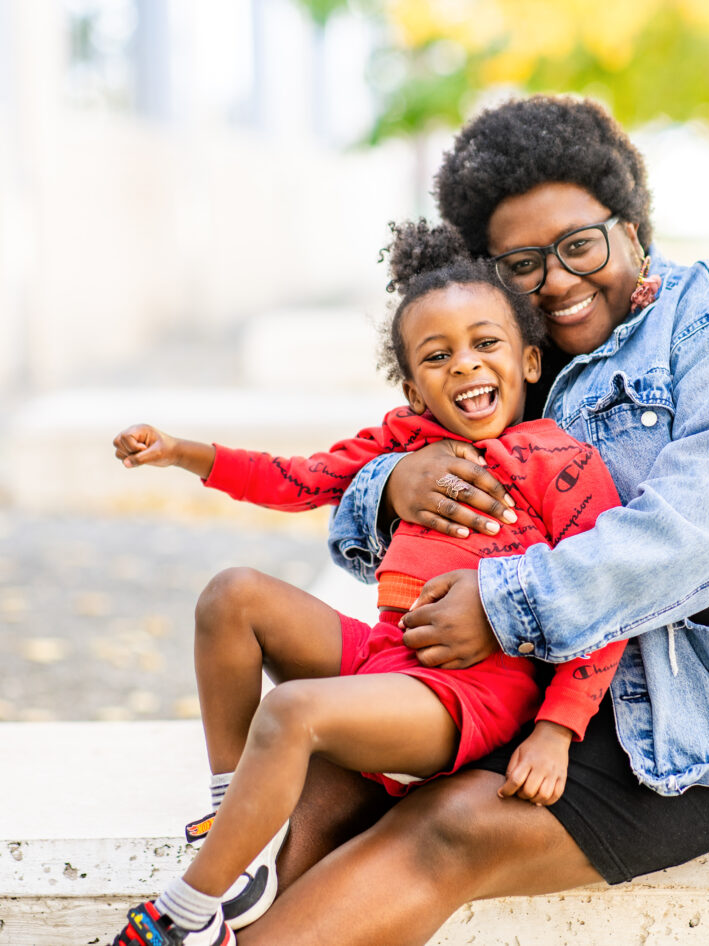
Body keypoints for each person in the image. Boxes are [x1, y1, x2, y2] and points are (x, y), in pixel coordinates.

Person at [210, 94, 709, 946]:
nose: (555, 281)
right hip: (515, 688)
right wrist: (396, 485)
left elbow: (700, 530)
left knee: (453, 825)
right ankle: (192, 921)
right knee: (324, 792)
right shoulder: (505, 343)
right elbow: (377, 519)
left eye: (579, 245)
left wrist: (503, 604)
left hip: (704, 721)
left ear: (633, 229)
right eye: (521, 263)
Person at [105, 219, 626, 946]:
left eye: (486, 344)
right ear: (413, 388)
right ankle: (236, 824)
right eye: (438, 356)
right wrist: (181, 452)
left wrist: (555, 731)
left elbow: (604, 599)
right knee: (232, 594)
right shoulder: (404, 441)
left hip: (470, 694)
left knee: (291, 712)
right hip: (388, 657)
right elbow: (297, 478)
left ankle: (187, 916)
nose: (465, 366)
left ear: (530, 361)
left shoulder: (560, 461)